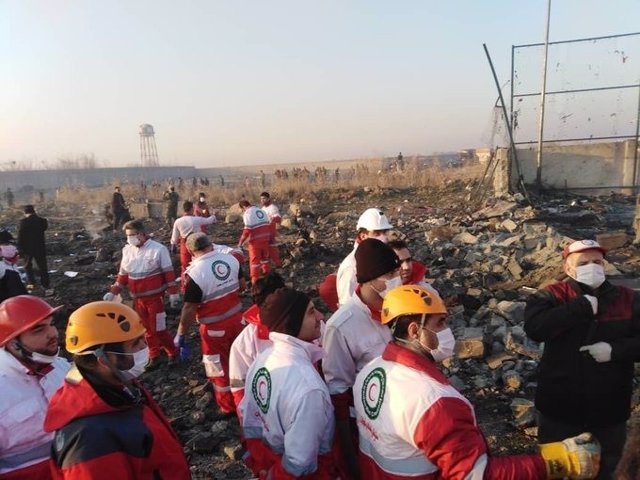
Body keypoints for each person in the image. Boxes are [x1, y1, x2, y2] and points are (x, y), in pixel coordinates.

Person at [353, 284, 601, 479]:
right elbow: (475, 475)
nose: (448, 330)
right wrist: (559, 460)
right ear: (414, 332)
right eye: (440, 323)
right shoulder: (433, 401)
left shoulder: (371, 371)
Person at [524, 239, 640, 480]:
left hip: (610, 409)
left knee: (607, 468)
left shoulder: (629, 299)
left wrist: (614, 350)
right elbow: (536, 328)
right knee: (556, 468)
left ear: (605, 265)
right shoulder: (550, 296)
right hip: (560, 407)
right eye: (583, 263)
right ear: (568, 269)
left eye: (597, 262)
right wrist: (580, 308)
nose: (592, 267)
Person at [44, 301, 190, 479]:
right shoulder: (89, 442)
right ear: (103, 359)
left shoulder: (119, 388)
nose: (144, 348)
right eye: (135, 344)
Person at [239, 287, 341, 479]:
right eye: (311, 312)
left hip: (269, 460)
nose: (320, 316)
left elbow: (248, 417)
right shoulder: (308, 388)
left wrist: (261, 464)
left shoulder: (262, 360)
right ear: (291, 323)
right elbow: (299, 462)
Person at [322, 238, 401, 478]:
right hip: (371, 419)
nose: (397, 278)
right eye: (390, 274)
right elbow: (339, 391)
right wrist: (349, 454)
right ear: (369, 279)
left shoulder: (400, 307)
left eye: (396, 271)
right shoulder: (342, 326)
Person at [174, 232, 246, 414]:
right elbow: (243, 286)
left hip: (214, 330)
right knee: (241, 361)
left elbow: (189, 308)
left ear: (191, 251)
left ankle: (228, 407)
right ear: (210, 244)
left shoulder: (195, 274)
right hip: (238, 320)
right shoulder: (231, 260)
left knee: (218, 368)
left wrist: (181, 333)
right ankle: (246, 399)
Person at [0, 295, 70, 479]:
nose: (53, 333)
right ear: (13, 342)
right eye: (38, 329)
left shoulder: (61, 367)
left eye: (51, 324)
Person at [103, 220, 179, 369]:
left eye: (132, 235)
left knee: (159, 328)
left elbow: (169, 273)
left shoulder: (158, 250)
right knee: (145, 329)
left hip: (155, 299)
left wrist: (173, 293)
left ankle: (172, 352)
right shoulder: (128, 251)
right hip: (137, 299)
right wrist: (113, 292)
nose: (129, 238)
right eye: (128, 236)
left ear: (142, 233)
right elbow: (123, 275)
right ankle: (154, 355)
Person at [228, 272, 285, 410]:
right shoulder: (244, 344)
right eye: (269, 307)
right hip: (271, 410)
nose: (275, 312)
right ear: (258, 306)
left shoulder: (308, 322)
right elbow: (239, 388)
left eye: (280, 305)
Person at [336, 207, 392, 306]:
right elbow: (347, 306)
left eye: (384, 232)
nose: (383, 237)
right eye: (377, 233)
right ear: (363, 236)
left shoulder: (384, 257)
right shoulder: (352, 267)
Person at [170, 201, 217, 288]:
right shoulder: (196, 219)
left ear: (184, 209)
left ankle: (185, 288)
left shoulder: (178, 221)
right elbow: (209, 220)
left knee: (185, 267)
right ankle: (202, 285)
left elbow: (174, 237)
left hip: (184, 245)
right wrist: (214, 215)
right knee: (200, 264)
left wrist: (173, 246)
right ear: (192, 209)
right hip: (197, 244)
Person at [17, 204, 52, 296]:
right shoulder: (42, 221)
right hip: (40, 247)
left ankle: (32, 283)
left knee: (28, 266)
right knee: (43, 266)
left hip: (27, 249)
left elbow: (20, 237)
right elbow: (44, 228)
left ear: (25, 212)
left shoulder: (23, 222)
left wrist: (19, 249)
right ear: (34, 211)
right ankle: (45, 284)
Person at [238, 199, 271, 284]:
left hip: (255, 242)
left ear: (243, 207)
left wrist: (240, 242)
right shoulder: (261, 211)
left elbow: (247, 230)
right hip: (266, 239)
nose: (243, 211)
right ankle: (267, 279)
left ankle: (255, 284)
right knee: (265, 260)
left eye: (242, 210)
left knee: (254, 263)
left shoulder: (247, 213)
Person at [260, 191, 282, 268]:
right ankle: (268, 266)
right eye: (261, 199)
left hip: (270, 232)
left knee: (272, 249)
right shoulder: (262, 208)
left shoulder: (273, 207)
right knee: (265, 250)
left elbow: (278, 218)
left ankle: (278, 264)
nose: (262, 200)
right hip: (263, 232)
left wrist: (273, 218)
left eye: (264, 199)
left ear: (268, 199)